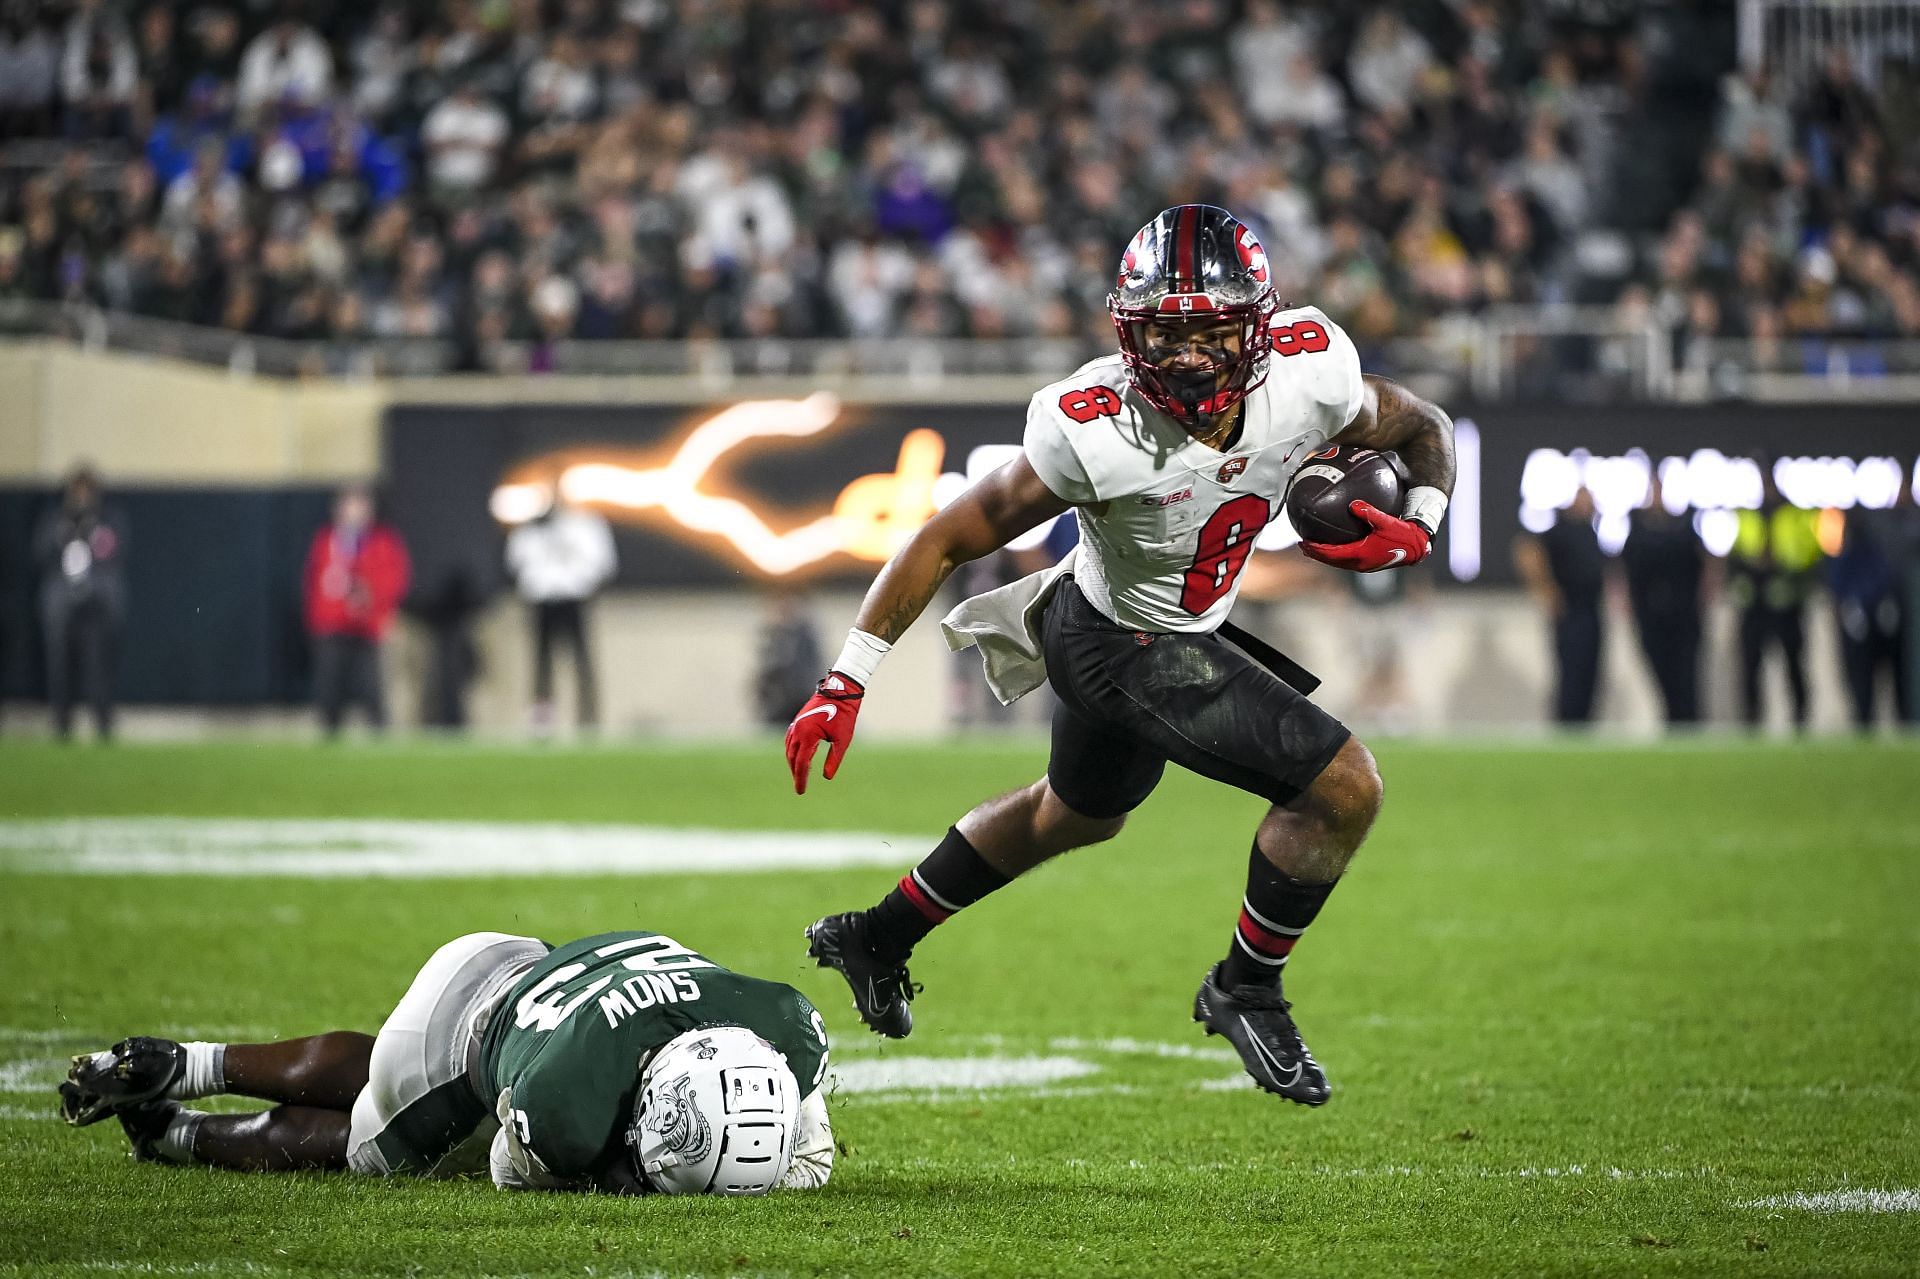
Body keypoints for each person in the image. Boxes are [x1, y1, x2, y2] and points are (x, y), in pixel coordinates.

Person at [784, 206, 1455, 1106]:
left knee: (1076, 815)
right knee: (1344, 786)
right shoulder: (1090, 425)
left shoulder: (1315, 376)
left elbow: (1427, 428)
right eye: (1165, 333)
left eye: (1209, 330)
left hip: (1164, 627)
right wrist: (845, 679)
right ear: (1128, 333)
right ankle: (1245, 985)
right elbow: (945, 537)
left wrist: (1419, 526)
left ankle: (878, 933)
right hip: (1112, 640)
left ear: (1257, 324)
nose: (1186, 357)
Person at [58, 926, 833, 1197]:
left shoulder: (781, 1027)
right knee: (366, 1146)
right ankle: (176, 1130)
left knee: (380, 1086)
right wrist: (616, 1173)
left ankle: (193, 1059)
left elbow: (798, 1103)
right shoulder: (567, 1105)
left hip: (503, 956)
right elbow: (507, 1158)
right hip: (449, 1047)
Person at [303, 484, 410, 736]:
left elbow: (395, 579)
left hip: (367, 625)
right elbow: (314, 581)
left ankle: (379, 738)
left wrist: (376, 602)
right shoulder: (327, 540)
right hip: (332, 624)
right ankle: (328, 737)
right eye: (350, 505)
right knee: (329, 685)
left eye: (360, 505)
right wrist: (317, 619)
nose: (355, 512)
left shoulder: (382, 541)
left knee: (371, 686)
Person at [505, 498, 617, 732]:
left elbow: (602, 562)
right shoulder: (531, 527)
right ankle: (543, 721)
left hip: (574, 598)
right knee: (542, 663)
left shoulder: (586, 524)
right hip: (542, 599)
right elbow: (515, 561)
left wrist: (581, 581)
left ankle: (588, 719)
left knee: (582, 661)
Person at [33, 465, 127, 740]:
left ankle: (103, 722)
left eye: (88, 490)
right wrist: (64, 534)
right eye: (78, 490)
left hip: (97, 604)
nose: (83, 496)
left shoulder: (109, 519)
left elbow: (114, 552)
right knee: (59, 665)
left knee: (97, 666)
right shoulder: (54, 519)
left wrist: (90, 532)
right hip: (61, 603)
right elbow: (40, 553)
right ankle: (62, 723)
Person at [1728, 468, 1821, 730]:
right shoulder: (1747, 515)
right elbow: (1734, 559)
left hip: (1787, 604)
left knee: (1793, 663)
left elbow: (1808, 557)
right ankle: (1752, 718)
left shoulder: (1794, 515)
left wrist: (1785, 574)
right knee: (1750, 665)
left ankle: (1801, 719)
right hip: (1754, 603)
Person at [1514, 487, 1606, 725]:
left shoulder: (1591, 531)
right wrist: (1545, 589)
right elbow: (1525, 549)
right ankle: (1568, 722)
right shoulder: (1560, 530)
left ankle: (1584, 723)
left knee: (1591, 672)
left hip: (1592, 611)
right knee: (1572, 672)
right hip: (1570, 612)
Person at [1621, 476, 1707, 726]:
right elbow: (1625, 571)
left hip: (1684, 615)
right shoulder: (1636, 531)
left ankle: (1688, 723)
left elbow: (1705, 565)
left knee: (1686, 675)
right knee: (1661, 673)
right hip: (1650, 616)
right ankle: (1671, 720)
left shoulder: (1685, 528)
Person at [1825, 506, 1909, 729]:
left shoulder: (1874, 549)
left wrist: (1885, 603)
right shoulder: (1844, 551)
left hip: (1879, 624)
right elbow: (1836, 583)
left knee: (1892, 675)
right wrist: (1850, 607)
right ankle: (1863, 721)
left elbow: (1884, 576)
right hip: (1857, 623)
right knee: (1860, 679)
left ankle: (1902, 720)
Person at [753, 588, 825, 729]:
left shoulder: (805, 634)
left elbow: (811, 666)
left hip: (802, 695)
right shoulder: (773, 634)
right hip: (780, 697)